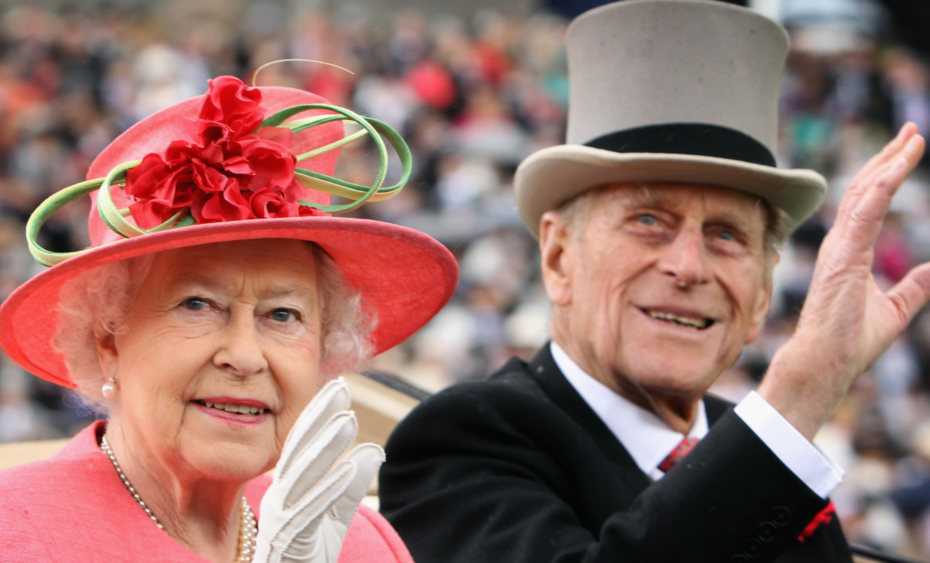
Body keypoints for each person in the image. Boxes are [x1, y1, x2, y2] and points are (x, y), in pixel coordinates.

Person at [378, 1, 930, 561]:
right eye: (648, 221)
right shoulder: (461, 440)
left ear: (763, 293)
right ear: (558, 256)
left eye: (727, 236)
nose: (688, 267)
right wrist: (801, 393)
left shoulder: (754, 444)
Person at [0, 74, 458, 562]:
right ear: (107, 335)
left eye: (282, 314)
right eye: (198, 305)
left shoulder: (360, 543)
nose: (246, 356)